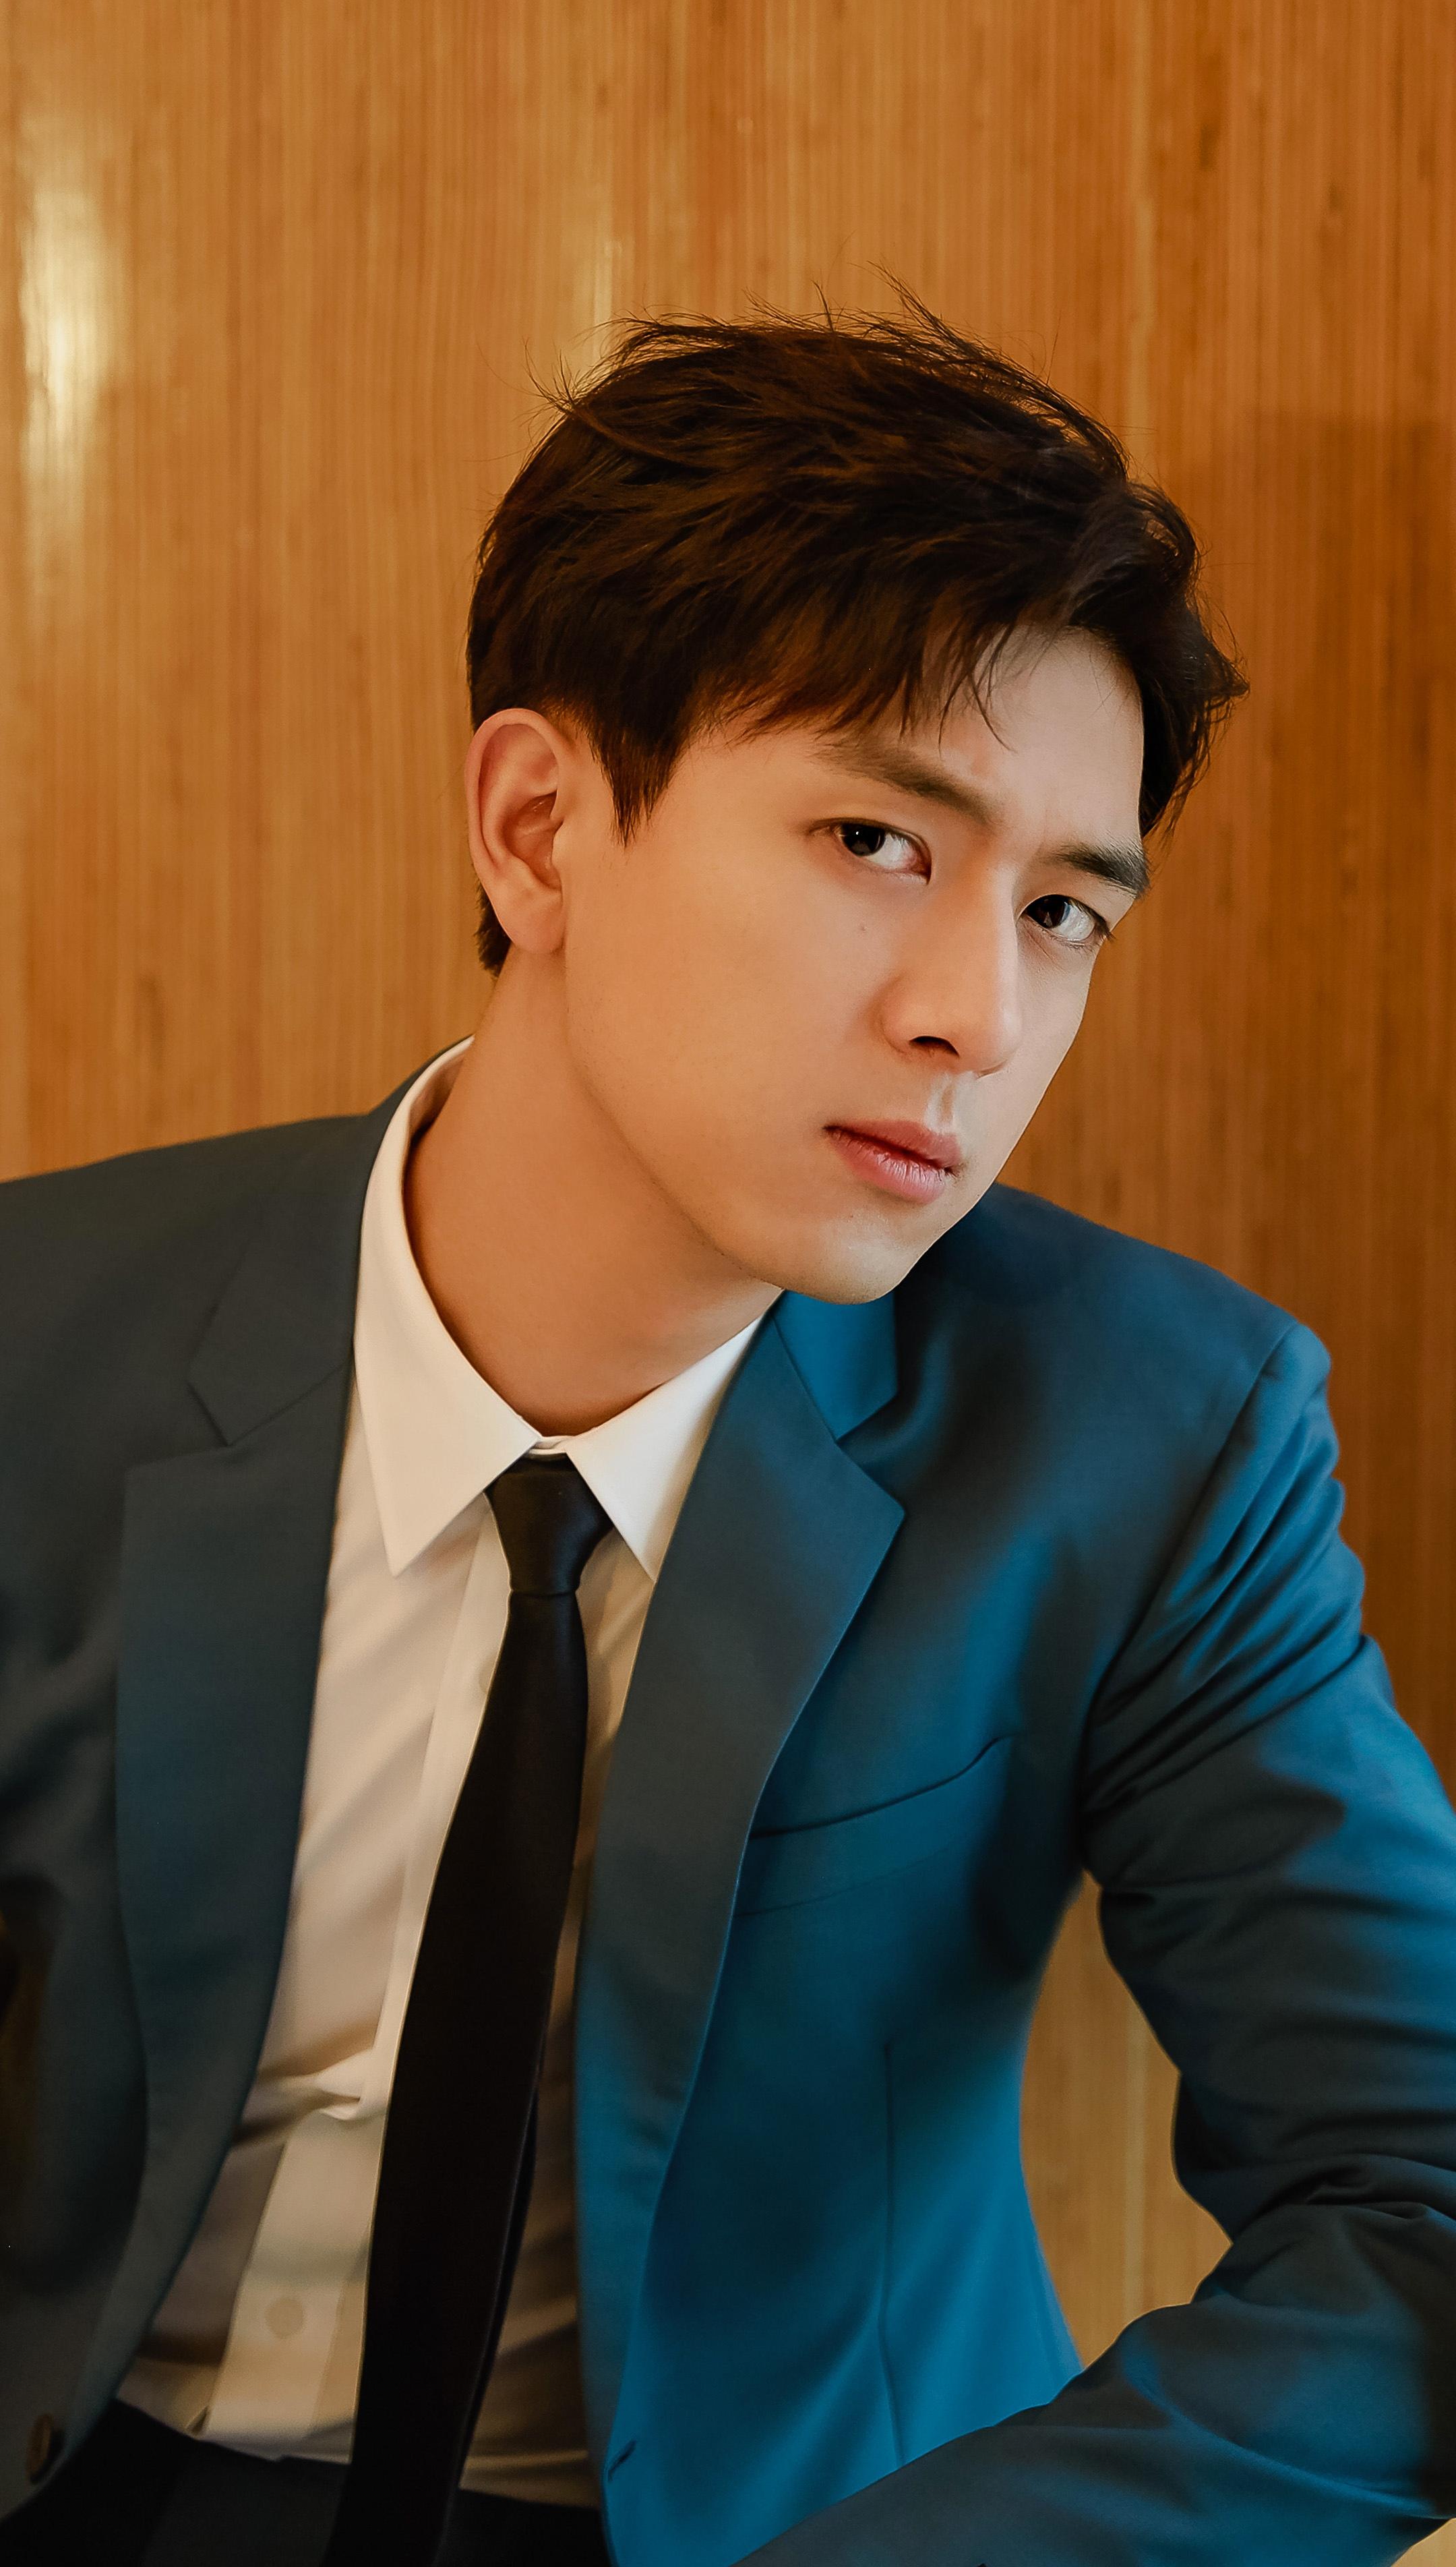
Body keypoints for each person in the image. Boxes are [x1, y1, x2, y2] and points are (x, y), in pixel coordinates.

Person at [1, 301, 1453, 2567]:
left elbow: (1423, 2203)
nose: (979, 1014)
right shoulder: (41, 1340)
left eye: (1064, 910)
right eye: (876, 837)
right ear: (540, 827)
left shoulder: (1157, 1443)